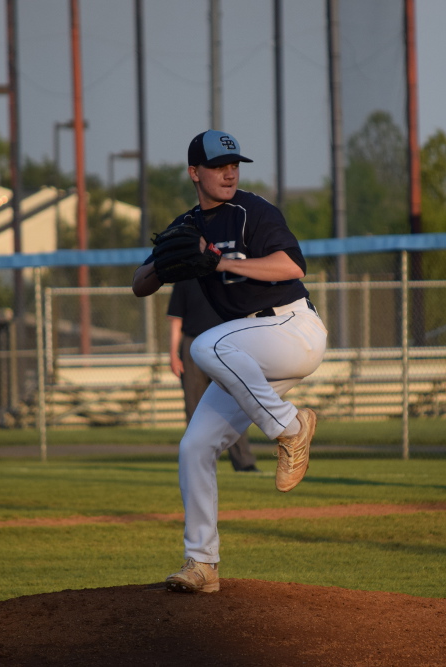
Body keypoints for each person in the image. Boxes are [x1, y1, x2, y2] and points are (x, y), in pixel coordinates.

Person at [132, 129, 327, 593]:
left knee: (203, 346)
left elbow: (291, 267)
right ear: (194, 172)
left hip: (291, 330)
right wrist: (164, 262)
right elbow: (139, 284)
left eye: (234, 163)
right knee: (193, 448)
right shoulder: (186, 226)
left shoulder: (252, 211)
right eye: (219, 165)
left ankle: (291, 429)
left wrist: (219, 263)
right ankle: (202, 565)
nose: (229, 171)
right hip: (247, 354)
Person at [167, 279, 259, 473]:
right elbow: (176, 321)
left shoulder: (227, 274)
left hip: (223, 344)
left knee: (233, 407)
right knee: (195, 410)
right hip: (193, 345)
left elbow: (243, 316)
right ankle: (199, 463)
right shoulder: (185, 280)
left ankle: (243, 463)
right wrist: (173, 355)